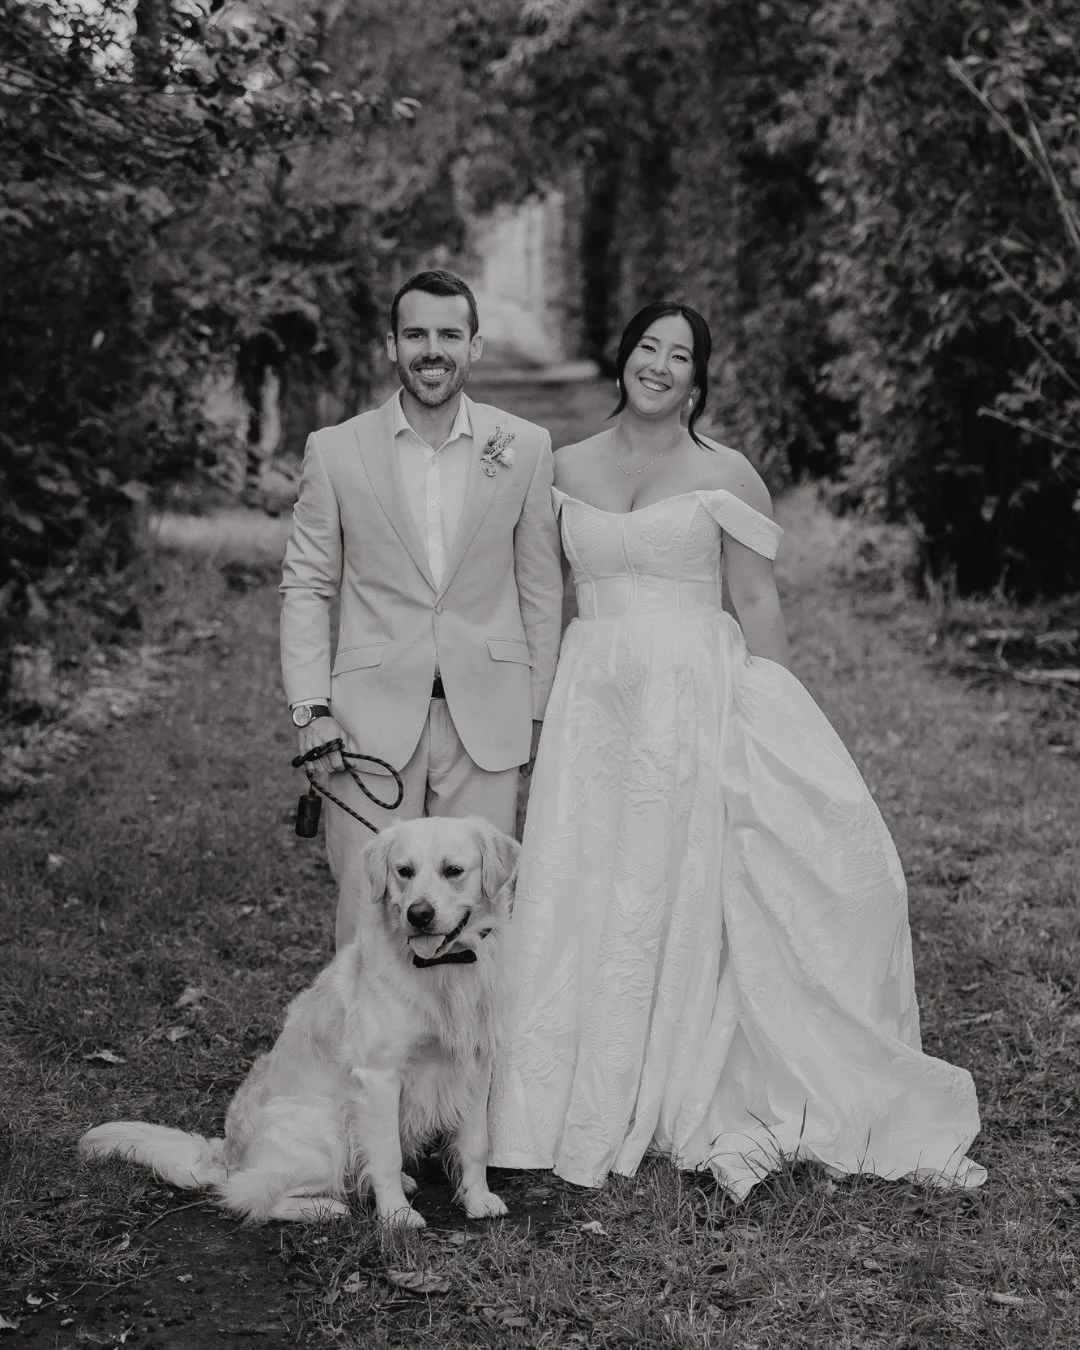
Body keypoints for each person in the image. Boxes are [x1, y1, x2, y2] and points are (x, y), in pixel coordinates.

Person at [487, 301, 986, 1200]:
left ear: (698, 380)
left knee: (681, 878)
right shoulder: (559, 468)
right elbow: (533, 588)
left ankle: (680, 1067)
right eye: (648, 346)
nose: (661, 365)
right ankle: (557, 1084)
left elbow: (755, 601)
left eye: (680, 356)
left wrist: (780, 713)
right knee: (587, 878)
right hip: (594, 697)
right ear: (624, 356)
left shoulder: (728, 473)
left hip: (694, 693)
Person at [279, 270, 564, 949]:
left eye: (447, 335)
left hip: (488, 721)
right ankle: (369, 1055)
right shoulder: (336, 450)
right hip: (366, 723)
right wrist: (311, 713)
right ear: (390, 346)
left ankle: (471, 1053)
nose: (431, 350)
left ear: (475, 347)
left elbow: (541, 589)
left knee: (482, 914)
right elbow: (307, 587)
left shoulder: (524, 447)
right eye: (415, 335)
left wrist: (539, 713)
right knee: (368, 913)